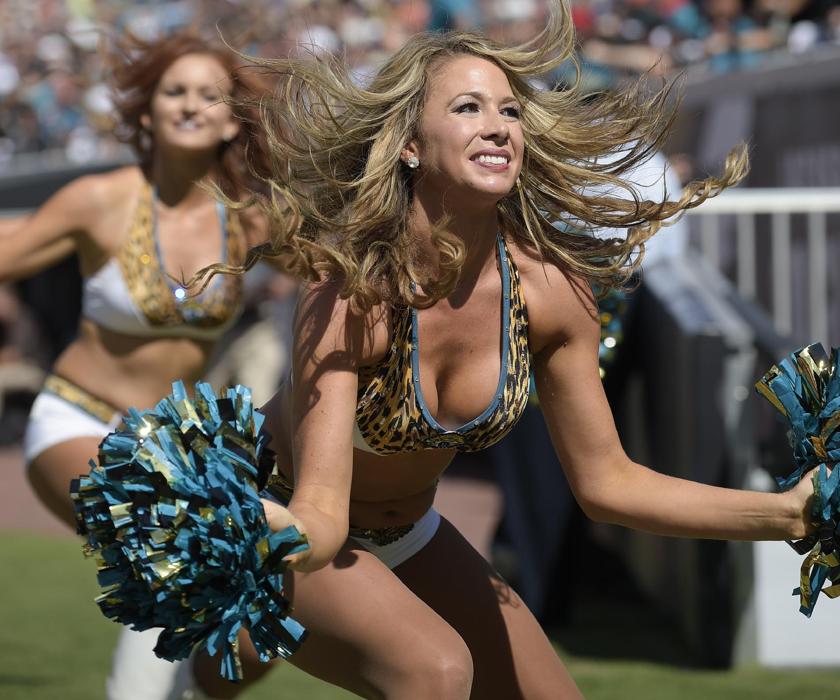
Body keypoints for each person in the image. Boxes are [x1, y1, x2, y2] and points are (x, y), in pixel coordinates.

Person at [182, 2, 814, 697]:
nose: (497, 126)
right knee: (436, 670)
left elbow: (610, 484)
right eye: (467, 107)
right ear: (410, 145)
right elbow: (323, 521)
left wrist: (788, 512)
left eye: (510, 111)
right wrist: (223, 518)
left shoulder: (550, 293)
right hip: (282, 517)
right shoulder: (353, 293)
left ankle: (211, 664)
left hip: (409, 531)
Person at [0, 31, 270, 700]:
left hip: (177, 450)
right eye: (173, 91)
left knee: (262, 608)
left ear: (232, 117)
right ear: (145, 112)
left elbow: (341, 269)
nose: (189, 106)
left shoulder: (251, 223)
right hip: (76, 420)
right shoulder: (100, 199)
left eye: (209, 95)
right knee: (169, 553)